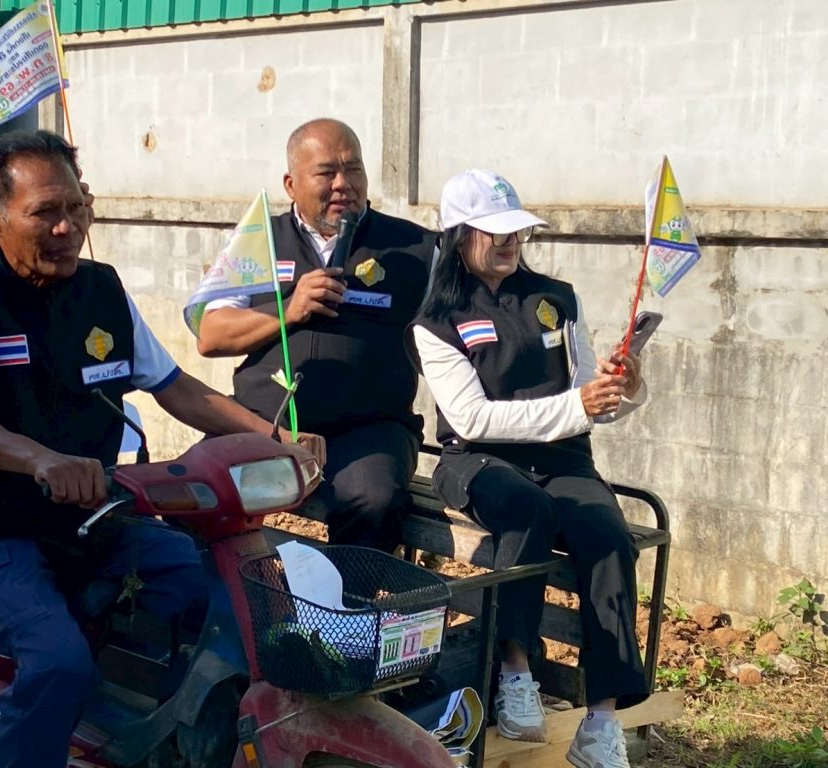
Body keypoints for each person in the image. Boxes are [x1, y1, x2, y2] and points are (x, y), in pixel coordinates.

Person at [0, 130, 324, 768]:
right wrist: (41, 461)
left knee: (230, 598)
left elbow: (177, 388)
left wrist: (274, 440)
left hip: (100, 516)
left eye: (76, 208)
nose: (66, 228)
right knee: (57, 665)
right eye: (44, 213)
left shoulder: (102, 290)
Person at [410, 169, 649, 768]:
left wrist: (622, 388)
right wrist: (577, 406)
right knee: (525, 509)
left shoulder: (557, 298)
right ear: (458, 236)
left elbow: (591, 401)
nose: (511, 242)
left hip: (563, 456)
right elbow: (471, 419)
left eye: (517, 230)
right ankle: (514, 672)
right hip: (477, 460)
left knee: (608, 537)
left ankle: (602, 722)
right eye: (496, 232)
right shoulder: (435, 320)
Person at [196, 118, 437, 551]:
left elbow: (453, 339)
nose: (343, 184)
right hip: (264, 424)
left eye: (354, 169)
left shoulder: (415, 248)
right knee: (197, 486)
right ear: (291, 184)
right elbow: (211, 336)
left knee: (373, 501)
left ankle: (347, 595)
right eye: (327, 172)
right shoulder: (259, 240)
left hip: (367, 432)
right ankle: (229, 591)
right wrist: (289, 311)